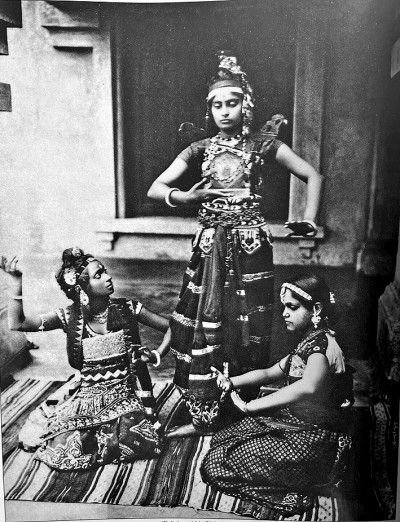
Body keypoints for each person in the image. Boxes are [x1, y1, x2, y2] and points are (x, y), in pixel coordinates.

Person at [146, 51, 322, 438]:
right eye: (217, 105)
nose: (225, 111)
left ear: (246, 105)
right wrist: (185, 197)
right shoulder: (199, 149)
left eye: (232, 103)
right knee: (204, 320)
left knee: (249, 322)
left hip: (251, 247)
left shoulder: (263, 145)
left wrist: (308, 221)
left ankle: (239, 401)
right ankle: (204, 403)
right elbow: (156, 188)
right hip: (210, 246)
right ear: (210, 110)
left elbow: (312, 175)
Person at [0, 248, 169, 470]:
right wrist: (16, 282)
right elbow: (18, 324)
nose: (108, 277)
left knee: (136, 439)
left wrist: (156, 354)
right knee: (66, 446)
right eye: (99, 275)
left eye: (105, 271)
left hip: (126, 395)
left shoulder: (128, 308)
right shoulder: (69, 316)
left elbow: (173, 327)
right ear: (82, 288)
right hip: (88, 397)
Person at [200, 274, 354, 517]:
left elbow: (308, 387)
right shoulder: (309, 342)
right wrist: (231, 382)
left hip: (316, 441)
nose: (284, 313)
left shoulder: (321, 348)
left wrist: (251, 406)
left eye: (292, 307)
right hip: (298, 425)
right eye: (284, 307)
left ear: (316, 309)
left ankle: (295, 493)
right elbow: (270, 372)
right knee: (223, 439)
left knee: (215, 465)